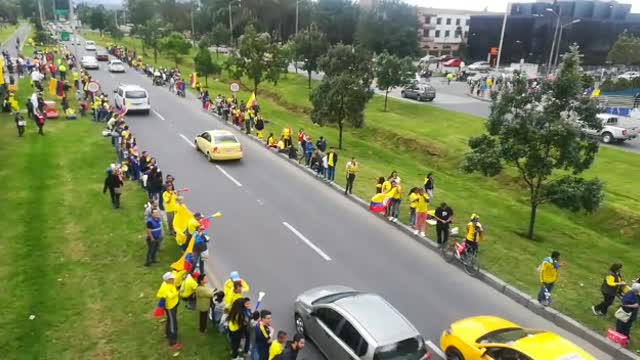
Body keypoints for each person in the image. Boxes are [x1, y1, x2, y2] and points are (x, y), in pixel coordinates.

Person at [156, 271, 182, 350]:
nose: (173, 279)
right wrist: (178, 292)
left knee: (170, 320)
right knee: (172, 323)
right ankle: (173, 342)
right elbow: (170, 296)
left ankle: (168, 335)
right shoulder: (165, 287)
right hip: (170, 307)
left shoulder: (170, 283)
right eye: (172, 279)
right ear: (167, 280)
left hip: (173, 305)